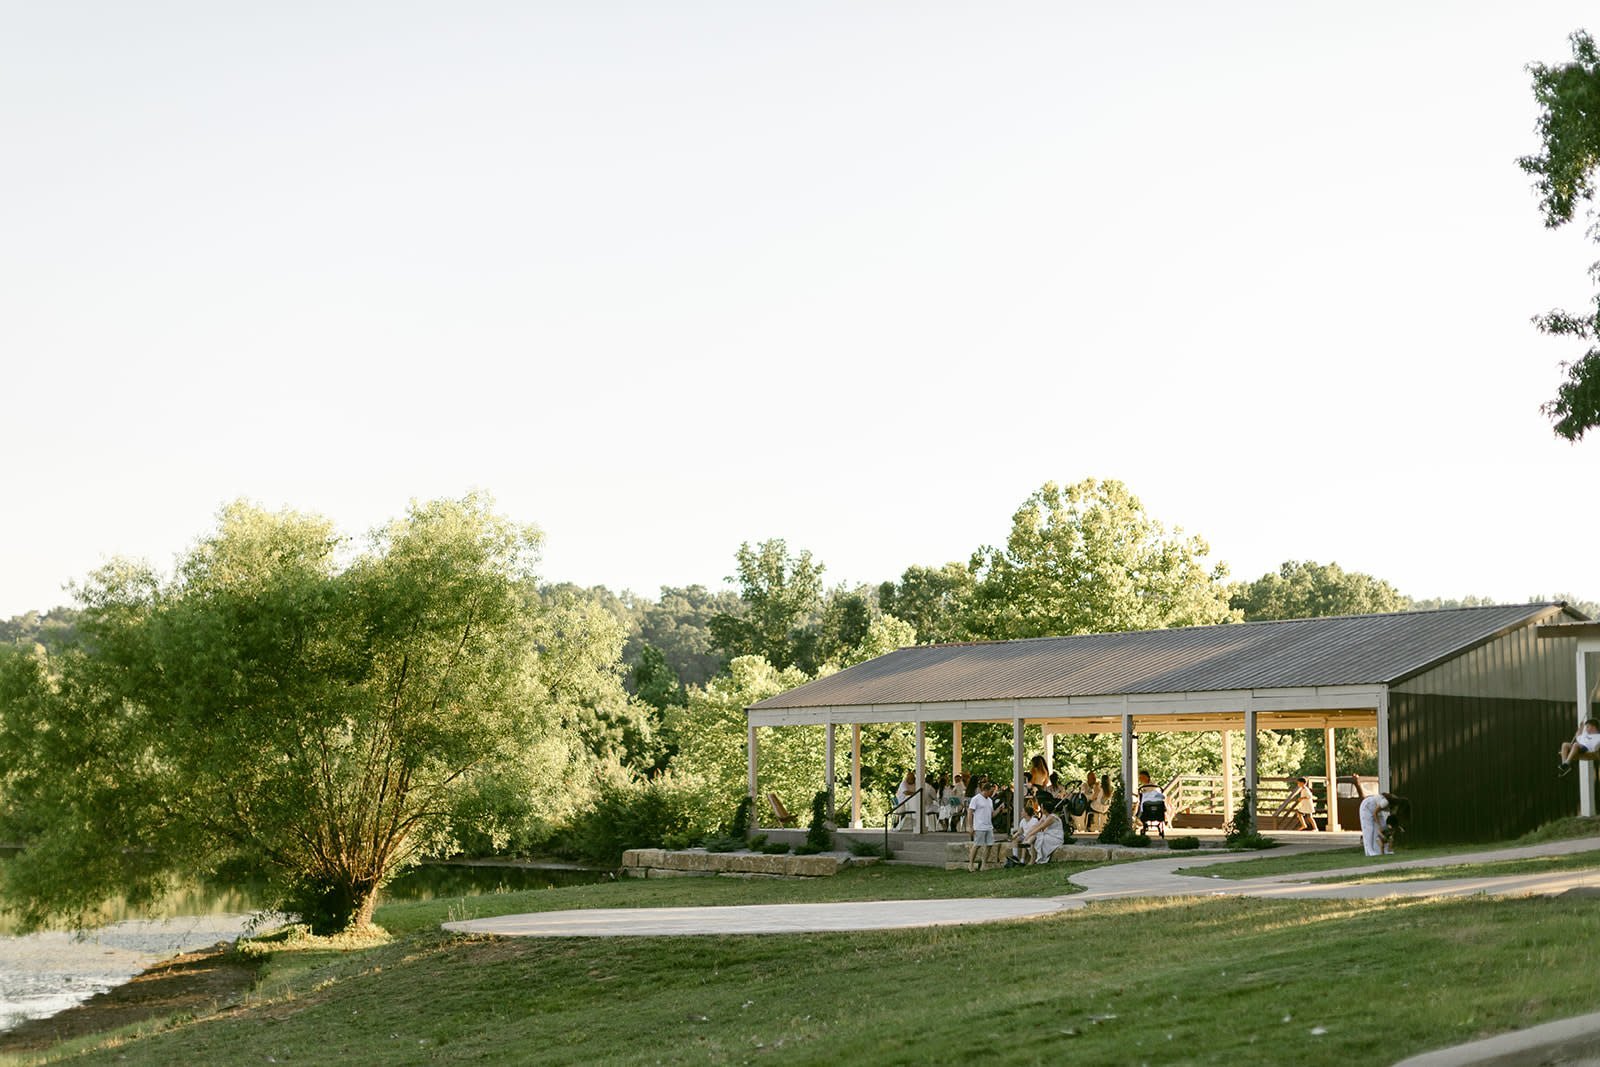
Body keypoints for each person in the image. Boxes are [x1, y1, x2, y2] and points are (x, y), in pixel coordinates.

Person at [1359, 791, 1410, 856]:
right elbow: (1375, 813)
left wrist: (1399, 827)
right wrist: (1379, 825)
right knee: (1369, 830)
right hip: (1367, 807)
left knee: (1384, 827)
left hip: (1375, 809)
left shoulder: (1393, 806)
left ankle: (1385, 850)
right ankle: (1370, 851)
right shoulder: (1386, 802)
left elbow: (1392, 820)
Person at [967, 779, 997, 870]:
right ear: (986, 790)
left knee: (989, 845)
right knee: (977, 845)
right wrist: (970, 826)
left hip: (989, 826)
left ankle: (984, 864)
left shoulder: (990, 801)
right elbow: (970, 812)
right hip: (979, 826)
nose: (992, 793)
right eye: (991, 791)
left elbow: (992, 814)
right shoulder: (976, 799)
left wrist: (999, 809)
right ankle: (971, 864)